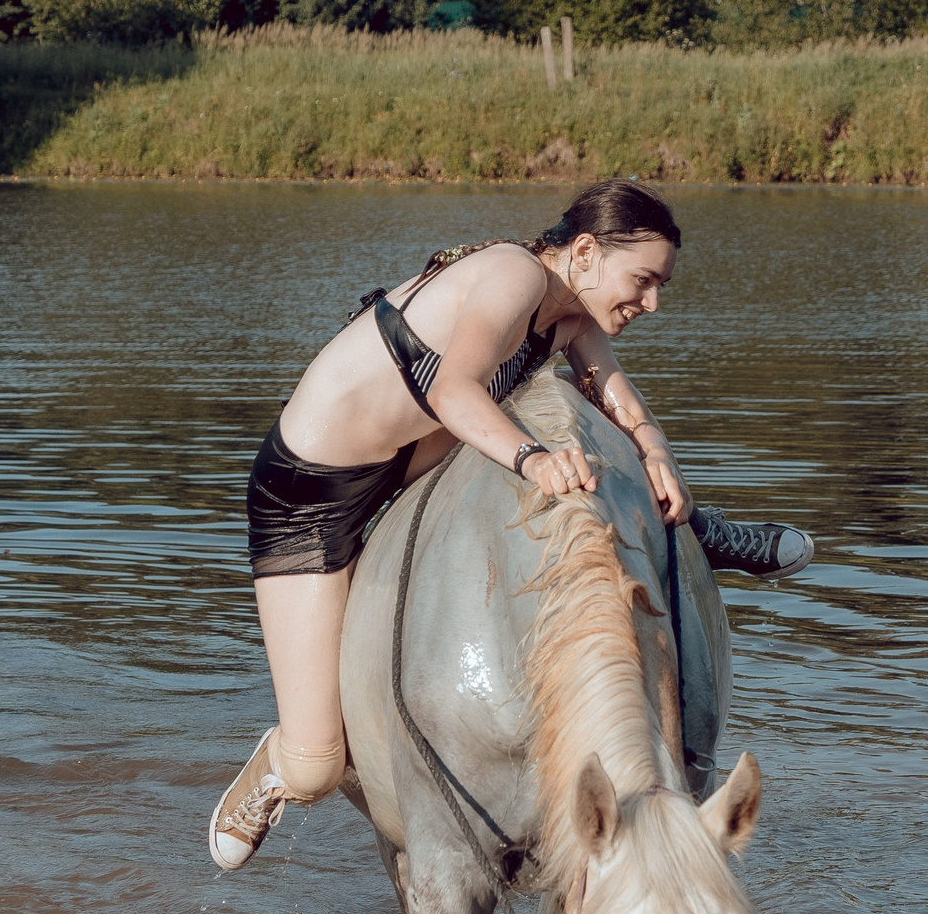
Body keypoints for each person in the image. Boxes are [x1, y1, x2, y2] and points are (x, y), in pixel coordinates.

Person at [210, 180, 814, 871]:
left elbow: (620, 400)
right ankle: (276, 765)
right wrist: (531, 458)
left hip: (413, 468)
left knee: (596, 447)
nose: (652, 303)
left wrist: (656, 456)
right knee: (318, 765)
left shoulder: (571, 316)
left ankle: (701, 531)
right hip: (312, 494)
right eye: (643, 281)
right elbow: (451, 388)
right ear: (584, 252)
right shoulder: (512, 274)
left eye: (660, 286)